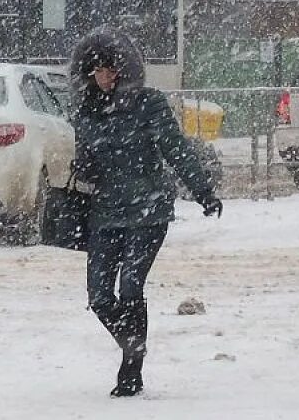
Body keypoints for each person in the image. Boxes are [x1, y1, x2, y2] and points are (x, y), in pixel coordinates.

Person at [70, 27, 223, 398]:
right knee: (100, 297)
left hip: (148, 210)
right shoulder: (87, 112)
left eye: (110, 69)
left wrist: (201, 190)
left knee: (131, 286)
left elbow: (175, 148)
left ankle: (131, 366)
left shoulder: (149, 103)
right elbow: (86, 161)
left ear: (124, 70)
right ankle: (133, 343)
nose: (105, 76)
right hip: (105, 212)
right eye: (98, 70)